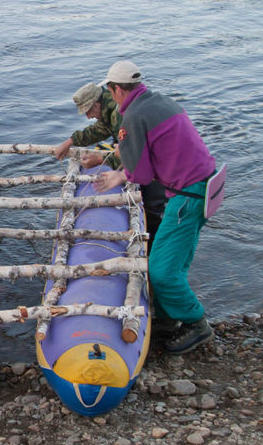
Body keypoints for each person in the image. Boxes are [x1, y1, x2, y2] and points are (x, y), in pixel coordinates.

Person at [92, 61, 216, 354]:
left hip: (188, 194)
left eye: (110, 91)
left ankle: (197, 324)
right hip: (203, 183)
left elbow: (143, 175)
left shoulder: (133, 116)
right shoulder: (160, 101)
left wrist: (119, 174)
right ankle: (169, 318)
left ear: (117, 89)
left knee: (161, 271)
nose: (111, 97)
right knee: (171, 259)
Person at [53, 83, 168, 248]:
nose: (88, 116)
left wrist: (101, 160)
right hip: (147, 159)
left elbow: (133, 153)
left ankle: (152, 251)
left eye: (88, 111)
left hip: (154, 166)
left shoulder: (120, 114)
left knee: (152, 211)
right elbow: (99, 130)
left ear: (97, 104)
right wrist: (71, 141)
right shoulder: (108, 111)